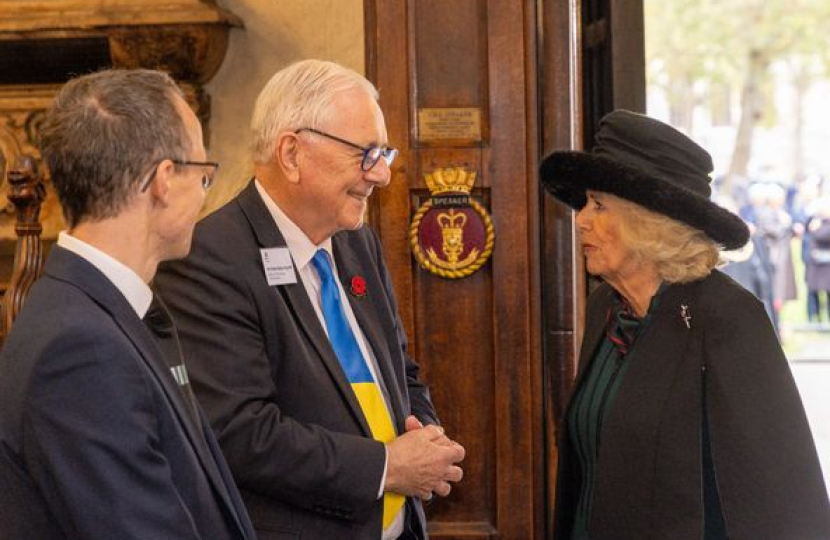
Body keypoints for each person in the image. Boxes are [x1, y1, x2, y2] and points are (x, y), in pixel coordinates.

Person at [154, 59, 465, 540]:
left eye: (384, 152)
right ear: (292, 153)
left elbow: (399, 368)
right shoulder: (210, 259)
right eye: (366, 152)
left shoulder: (356, 241)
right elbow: (240, 433)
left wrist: (425, 437)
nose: (381, 174)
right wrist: (386, 466)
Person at [540, 110, 830, 539]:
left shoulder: (727, 317)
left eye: (598, 205)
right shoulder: (607, 306)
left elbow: (782, 496)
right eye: (585, 203)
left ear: (648, 224)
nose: (581, 219)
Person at [0, 70, 256, 539]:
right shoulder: (79, 348)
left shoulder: (98, 309)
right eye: (203, 175)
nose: (206, 193)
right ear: (162, 181)